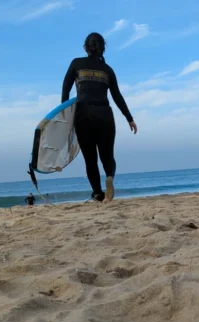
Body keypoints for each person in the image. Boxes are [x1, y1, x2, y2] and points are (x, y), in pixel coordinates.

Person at [61, 32, 137, 203]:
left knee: (90, 159)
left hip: (83, 114)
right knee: (107, 155)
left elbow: (65, 90)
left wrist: (65, 116)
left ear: (86, 47)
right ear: (103, 48)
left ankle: (97, 193)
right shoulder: (107, 70)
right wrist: (129, 118)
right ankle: (109, 176)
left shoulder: (77, 63)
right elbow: (117, 96)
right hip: (105, 114)